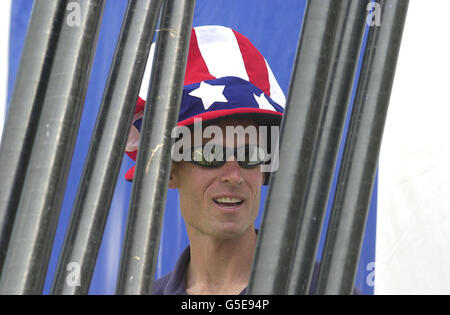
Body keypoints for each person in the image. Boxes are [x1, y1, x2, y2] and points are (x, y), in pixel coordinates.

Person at [125, 25, 359, 295]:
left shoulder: (324, 288)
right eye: (211, 154)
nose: (234, 176)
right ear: (169, 171)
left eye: (250, 155)